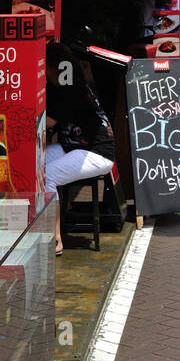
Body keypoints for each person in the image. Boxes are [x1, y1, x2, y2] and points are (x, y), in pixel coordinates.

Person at [45, 42, 115, 255]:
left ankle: (55, 239)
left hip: (97, 154)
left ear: (54, 68)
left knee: (48, 176)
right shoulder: (73, 84)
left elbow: (46, 123)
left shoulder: (70, 90)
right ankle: (56, 214)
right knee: (35, 164)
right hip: (74, 148)